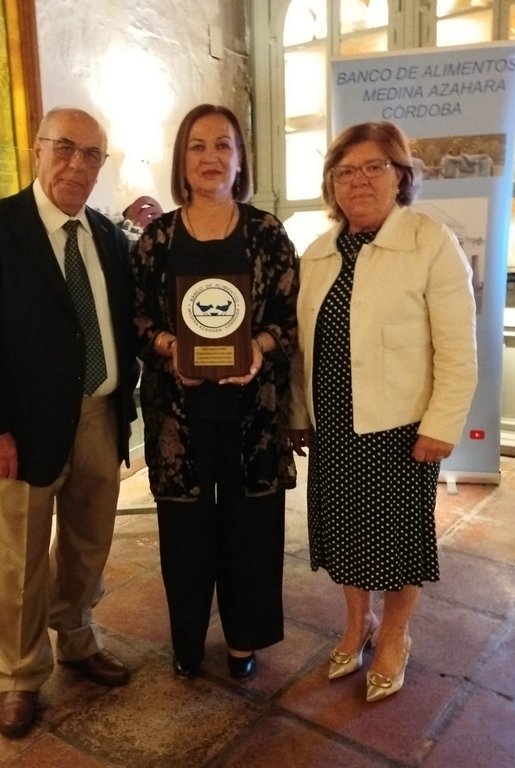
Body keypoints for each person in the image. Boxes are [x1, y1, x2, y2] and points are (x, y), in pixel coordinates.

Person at [0, 107, 139, 738]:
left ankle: (76, 637)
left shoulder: (108, 237)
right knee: (21, 558)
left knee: (88, 543)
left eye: (91, 154)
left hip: (100, 415)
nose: (77, 164)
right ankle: (20, 675)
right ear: (38, 149)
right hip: (22, 430)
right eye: (65, 148)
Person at [289, 121, 478, 702]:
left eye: (375, 167)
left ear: (400, 176)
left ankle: (395, 633)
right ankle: (357, 623)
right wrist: (298, 412)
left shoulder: (429, 242)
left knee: (398, 541)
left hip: (400, 427)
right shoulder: (318, 252)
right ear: (332, 184)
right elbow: (301, 346)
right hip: (333, 424)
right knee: (345, 533)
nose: (360, 181)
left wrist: (442, 424)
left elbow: (457, 347)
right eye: (346, 171)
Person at [130, 104, 299, 680]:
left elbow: (289, 317)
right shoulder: (156, 239)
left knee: (252, 530)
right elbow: (135, 318)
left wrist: (259, 349)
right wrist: (167, 346)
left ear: (240, 158)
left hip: (254, 415)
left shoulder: (267, 233)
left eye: (223, 145)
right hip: (179, 419)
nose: (210, 157)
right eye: (197, 146)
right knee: (185, 533)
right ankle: (188, 640)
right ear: (182, 160)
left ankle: (244, 640)